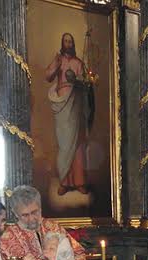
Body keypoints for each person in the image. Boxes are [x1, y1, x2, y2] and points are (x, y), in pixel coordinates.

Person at [46, 32, 94, 196]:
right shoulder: (59, 60)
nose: (68, 44)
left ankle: (79, 182)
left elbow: (86, 84)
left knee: (77, 144)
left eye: (70, 41)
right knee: (64, 144)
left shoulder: (79, 63)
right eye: (65, 41)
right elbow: (48, 76)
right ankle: (64, 182)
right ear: (62, 43)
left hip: (76, 103)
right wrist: (56, 64)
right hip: (62, 104)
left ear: (73, 44)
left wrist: (77, 80)